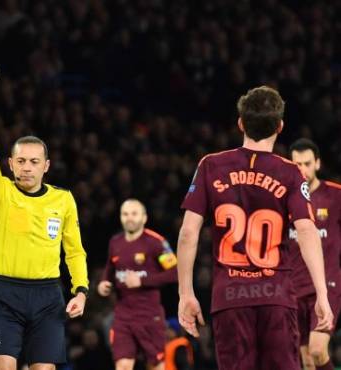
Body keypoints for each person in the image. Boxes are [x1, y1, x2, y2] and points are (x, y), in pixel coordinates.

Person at [176, 86, 334, 370]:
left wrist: (185, 293)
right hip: (277, 296)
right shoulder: (290, 171)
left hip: (229, 298)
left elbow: (188, 233)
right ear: (280, 126)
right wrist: (322, 294)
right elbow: (308, 231)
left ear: (240, 123)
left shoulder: (211, 165)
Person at [0, 85, 89, 370]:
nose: (26, 167)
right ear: (10, 164)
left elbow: (74, 250)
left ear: (46, 166)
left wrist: (81, 290)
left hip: (48, 298)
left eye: (34, 162)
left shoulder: (63, 199)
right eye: (20, 161)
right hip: (5, 295)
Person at [98, 199, 177, 370]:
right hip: (122, 317)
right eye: (125, 214)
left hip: (149, 316)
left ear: (144, 218)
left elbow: (175, 272)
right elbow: (110, 267)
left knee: (156, 365)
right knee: (123, 365)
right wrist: (104, 282)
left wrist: (142, 280)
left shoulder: (155, 242)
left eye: (134, 214)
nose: (129, 218)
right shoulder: (115, 242)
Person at [288, 138, 341, 370]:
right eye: (297, 164)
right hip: (293, 289)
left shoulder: (336, 196)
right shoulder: (284, 198)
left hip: (326, 286)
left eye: (307, 163)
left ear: (317, 163)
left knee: (318, 351)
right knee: (307, 361)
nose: (302, 169)